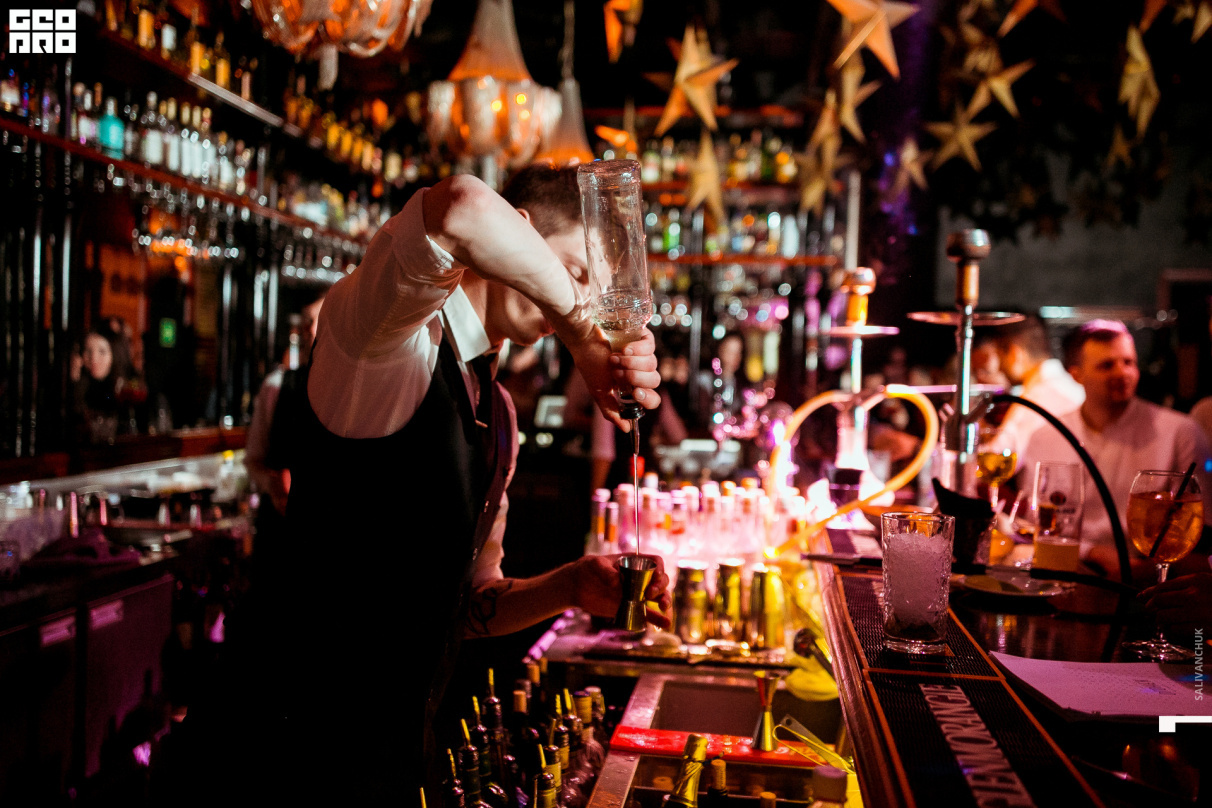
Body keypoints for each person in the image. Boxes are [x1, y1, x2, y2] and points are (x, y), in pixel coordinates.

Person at [238, 166, 669, 802]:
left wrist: (571, 585)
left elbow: (465, 606)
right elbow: (461, 208)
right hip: (277, 756)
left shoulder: (500, 414)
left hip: (387, 763)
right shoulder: (386, 338)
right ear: (519, 230)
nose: (576, 298)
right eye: (576, 270)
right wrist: (582, 328)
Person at [1020, 320, 1212, 580]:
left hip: (1146, 579)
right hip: (1063, 571)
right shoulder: (1047, 436)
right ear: (1076, 375)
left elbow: (1202, 530)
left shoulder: (1180, 431)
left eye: (1129, 362)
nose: (1123, 373)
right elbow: (1033, 522)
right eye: (1107, 365)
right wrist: (1093, 552)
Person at [991, 314, 1085, 457]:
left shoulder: (1038, 394)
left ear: (1014, 353)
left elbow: (999, 455)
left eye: (1000, 356)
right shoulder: (1066, 384)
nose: (999, 368)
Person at [70, 323, 142, 444]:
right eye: (88, 350)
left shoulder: (123, 390)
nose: (94, 359)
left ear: (114, 354)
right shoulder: (79, 388)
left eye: (102, 351)